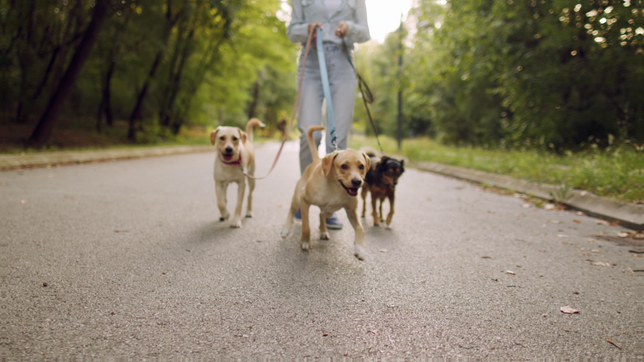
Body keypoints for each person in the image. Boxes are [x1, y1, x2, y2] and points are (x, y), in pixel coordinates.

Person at [287, 0, 370, 229]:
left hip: (343, 62)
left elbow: (365, 32)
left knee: (339, 138)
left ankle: (331, 206)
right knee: (310, 134)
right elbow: (292, 31)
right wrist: (307, 28)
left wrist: (349, 28)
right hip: (311, 60)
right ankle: (308, 191)